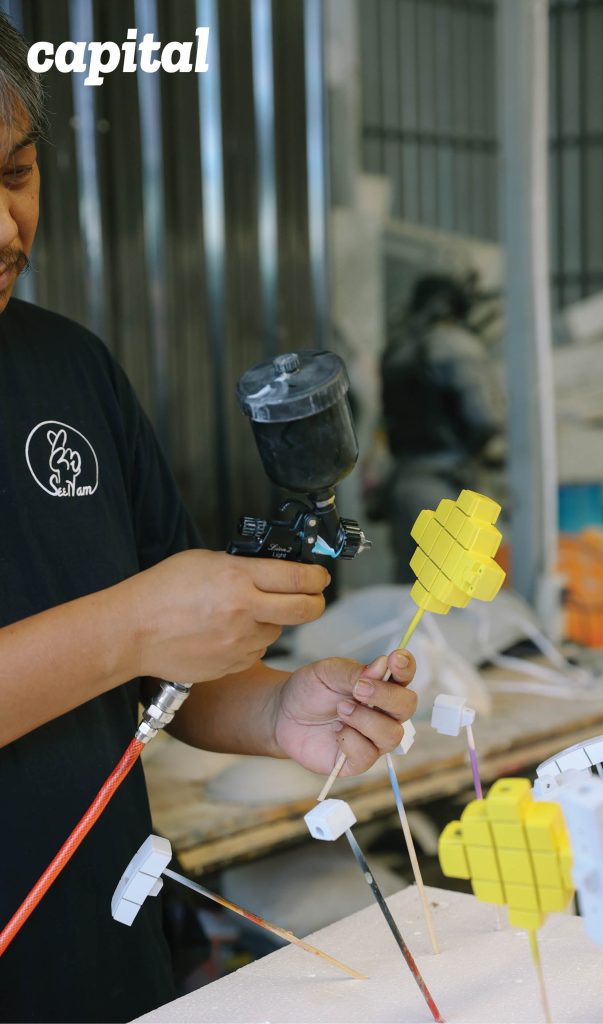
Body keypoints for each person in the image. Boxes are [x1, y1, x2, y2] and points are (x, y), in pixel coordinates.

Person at [0, 15, 416, 1023]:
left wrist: (276, 712)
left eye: (15, 174)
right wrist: (132, 624)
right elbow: (130, 634)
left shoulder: (67, 365)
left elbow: (158, 673)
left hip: (103, 961)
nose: (6, 230)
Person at [380, 274, 503, 581]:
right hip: (448, 485)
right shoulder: (456, 346)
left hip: (405, 481)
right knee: (453, 588)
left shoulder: (397, 348)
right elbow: (486, 417)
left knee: (411, 588)